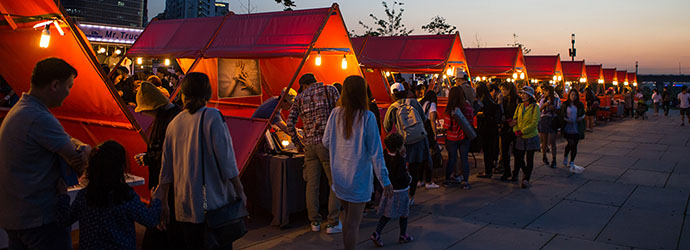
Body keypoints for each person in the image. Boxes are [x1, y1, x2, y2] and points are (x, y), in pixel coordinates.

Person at [0, 58, 91, 250]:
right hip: (39, 219)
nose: (68, 93)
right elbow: (77, 162)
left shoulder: (23, 110)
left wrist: (77, 144)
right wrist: (87, 149)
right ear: (55, 85)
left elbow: (65, 139)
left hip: (17, 214)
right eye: (69, 86)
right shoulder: (38, 117)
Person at [157, 72, 247, 250]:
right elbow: (227, 161)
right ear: (208, 92)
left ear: (183, 94)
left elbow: (166, 169)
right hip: (212, 205)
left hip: (184, 206)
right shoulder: (212, 116)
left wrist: (164, 201)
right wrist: (240, 191)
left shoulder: (174, 123)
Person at [322, 75, 393, 250]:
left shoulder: (335, 113)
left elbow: (325, 141)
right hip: (358, 178)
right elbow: (377, 153)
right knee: (353, 223)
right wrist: (385, 182)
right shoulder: (367, 117)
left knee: (347, 219)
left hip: (340, 177)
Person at [56, 141, 164, 250]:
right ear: (120, 168)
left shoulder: (84, 196)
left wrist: (63, 196)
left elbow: (64, 220)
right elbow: (151, 220)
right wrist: (156, 199)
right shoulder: (125, 197)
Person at [286, 73, 342, 233]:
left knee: (312, 185)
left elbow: (290, 123)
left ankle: (314, 222)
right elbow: (340, 113)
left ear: (303, 86)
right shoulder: (330, 90)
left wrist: (298, 143)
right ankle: (332, 222)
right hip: (328, 143)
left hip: (309, 146)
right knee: (334, 183)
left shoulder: (299, 98)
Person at [133, 82, 184, 250]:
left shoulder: (166, 121)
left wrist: (148, 158)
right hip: (174, 183)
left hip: (167, 184)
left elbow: (166, 154)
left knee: (163, 224)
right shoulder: (177, 115)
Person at [383, 82, 431, 202]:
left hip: (403, 143)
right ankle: (411, 196)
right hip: (419, 140)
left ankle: (401, 194)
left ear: (392, 94)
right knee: (415, 168)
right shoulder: (414, 102)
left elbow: (387, 127)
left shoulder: (392, 108)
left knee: (402, 169)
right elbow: (424, 119)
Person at [369, 133, 413, 247]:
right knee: (404, 213)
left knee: (387, 214)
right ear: (399, 147)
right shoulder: (399, 160)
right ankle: (403, 234)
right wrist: (409, 179)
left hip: (388, 190)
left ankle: (377, 233)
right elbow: (402, 175)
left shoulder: (385, 157)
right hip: (400, 191)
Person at [442, 87, 473, 189]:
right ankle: (465, 181)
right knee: (464, 159)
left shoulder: (450, 108)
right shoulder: (468, 107)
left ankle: (447, 180)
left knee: (452, 158)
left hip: (452, 137)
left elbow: (447, 126)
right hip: (464, 136)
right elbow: (471, 121)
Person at [513, 86, 540, 188]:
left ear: (530, 96)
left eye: (525, 94)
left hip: (530, 136)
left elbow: (534, 123)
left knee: (529, 158)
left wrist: (522, 131)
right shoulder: (519, 106)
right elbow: (515, 119)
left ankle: (526, 179)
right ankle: (525, 172)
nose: (522, 96)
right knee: (519, 157)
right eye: (522, 94)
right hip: (520, 136)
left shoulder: (535, 107)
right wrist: (515, 130)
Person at [475, 83, 501, 178]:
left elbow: (484, 113)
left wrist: (479, 114)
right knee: (490, 150)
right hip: (492, 128)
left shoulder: (484, 100)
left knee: (487, 150)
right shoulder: (489, 99)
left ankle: (488, 171)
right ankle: (489, 169)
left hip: (486, 129)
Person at [417, 89, 440, 189]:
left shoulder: (421, 103)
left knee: (421, 156)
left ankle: (419, 180)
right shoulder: (432, 105)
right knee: (429, 156)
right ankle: (429, 181)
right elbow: (432, 120)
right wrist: (435, 134)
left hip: (420, 130)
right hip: (428, 132)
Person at [561, 89, 586, 171]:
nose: (573, 96)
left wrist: (580, 118)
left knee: (575, 144)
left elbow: (583, 114)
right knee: (570, 143)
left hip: (576, 126)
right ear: (569, 95)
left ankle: (572, 161)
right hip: (568, 126)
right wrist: (566, 119)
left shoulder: (580, 105)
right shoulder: (565, 104)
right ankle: (565, 156)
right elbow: (562, 114)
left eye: (575, 95)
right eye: (572, 94)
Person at [499, 82, 519, 181]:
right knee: (505, 150)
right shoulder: (503, 100)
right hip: (506, 127)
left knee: (516, 151)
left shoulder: (516, 99)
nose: (503, 92)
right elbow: (501, 113)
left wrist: (514, 121)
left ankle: (516, 172)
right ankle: (507, 171)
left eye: (504, 90)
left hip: (515, 127)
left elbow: (518, 112)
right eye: (502, 90)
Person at [537, 85, 560, 168]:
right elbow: (539, 110)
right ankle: (544, 156)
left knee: (552, 141)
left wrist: (553, 108)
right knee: (544, 140)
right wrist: (545, 105)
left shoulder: (556, 99)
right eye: (544, 91)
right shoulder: (543, 99)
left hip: (552, 120)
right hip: (544, 119)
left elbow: (559, 110)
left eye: (546, 91)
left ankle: (554, 159)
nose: (545, 93)